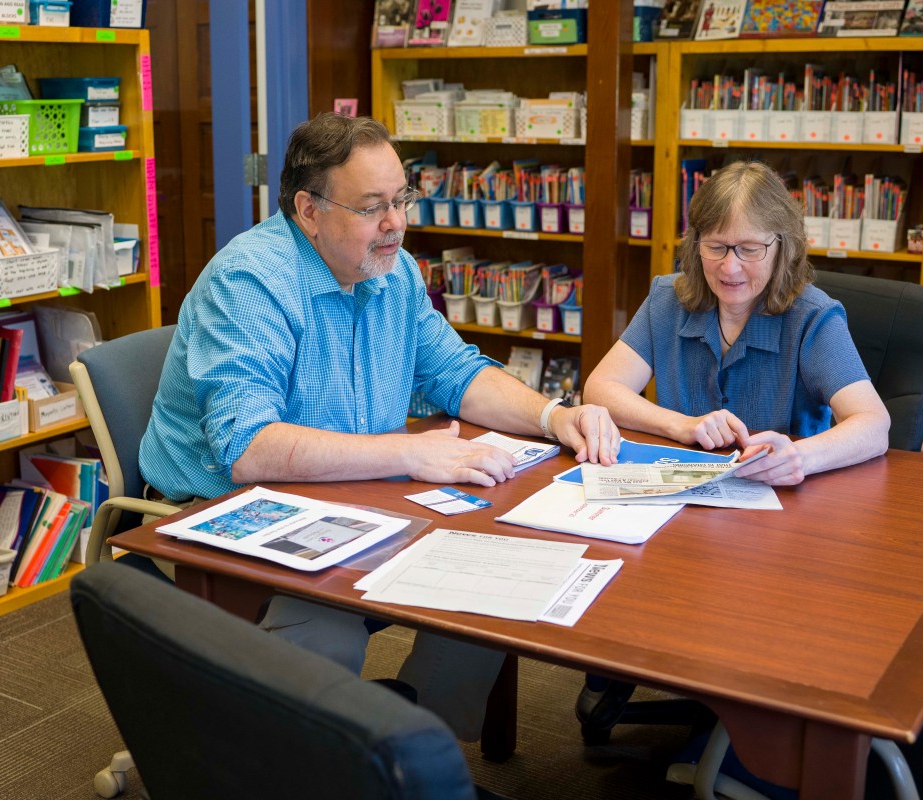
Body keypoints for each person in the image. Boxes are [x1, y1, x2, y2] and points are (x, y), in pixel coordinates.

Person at [139, 112, 620, 741]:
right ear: (309, 211)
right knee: (327, 628)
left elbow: (456, 373)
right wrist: (411, 453)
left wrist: (555, 416)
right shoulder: (251, 282)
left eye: (401, 199)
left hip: (352, 496)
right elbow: (248, 450)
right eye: (373, 207)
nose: (395, 223)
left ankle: (411, 748)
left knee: (500, 578)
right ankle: (304, 759)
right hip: (224, 507)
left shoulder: (388, 271)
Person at [575, 160, 889, 726]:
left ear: (782, 247)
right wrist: (681, 425)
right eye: (716, 247)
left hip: (780, 534)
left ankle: (744, 726)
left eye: (749, 249)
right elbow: (600, 386)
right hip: (680, 518)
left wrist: (802, 455)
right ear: (695, 244)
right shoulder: (668, 299)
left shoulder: (811, 317)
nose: (731, 267)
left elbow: (873, 422)